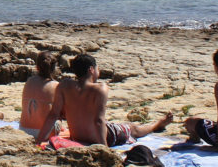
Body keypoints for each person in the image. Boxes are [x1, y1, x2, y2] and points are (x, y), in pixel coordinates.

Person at [36, 54, 172, 146]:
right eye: (97, 68)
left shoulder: (64, 85)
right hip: (99, 138)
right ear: (91, 69)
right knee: (132, 128)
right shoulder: (100, 88)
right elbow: (98, 121)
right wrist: (103, 148)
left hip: (77, 137)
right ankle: (157, 124)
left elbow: (53, 114)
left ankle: (157, 124)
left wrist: (39, 140)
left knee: (119, 125)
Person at [20, 51, 61, 138]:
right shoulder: (56, 86)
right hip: (45, 133)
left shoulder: (29, 81)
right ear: (54, 68)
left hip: (24, 130)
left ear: (37, 67)